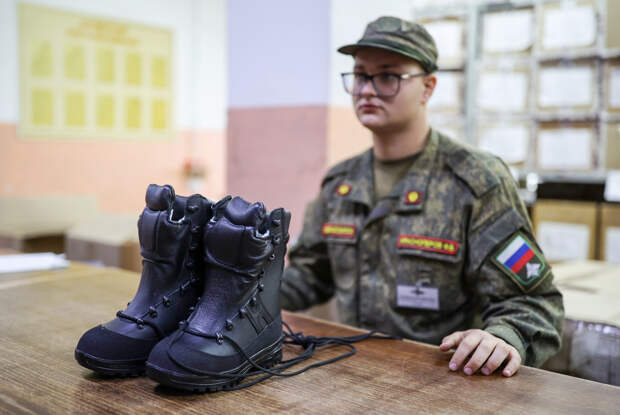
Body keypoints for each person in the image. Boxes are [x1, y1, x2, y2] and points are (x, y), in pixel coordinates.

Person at [279, 16, 564, 378]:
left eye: (387, 76)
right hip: (353, 374)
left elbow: (533, 301)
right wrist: (240, 294)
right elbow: (310, 275)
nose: (367, 90)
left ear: (428, 88)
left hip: (445, 379)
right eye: (361, 75)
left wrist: (501, 337)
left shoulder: (475, 180)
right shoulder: (341, 183)